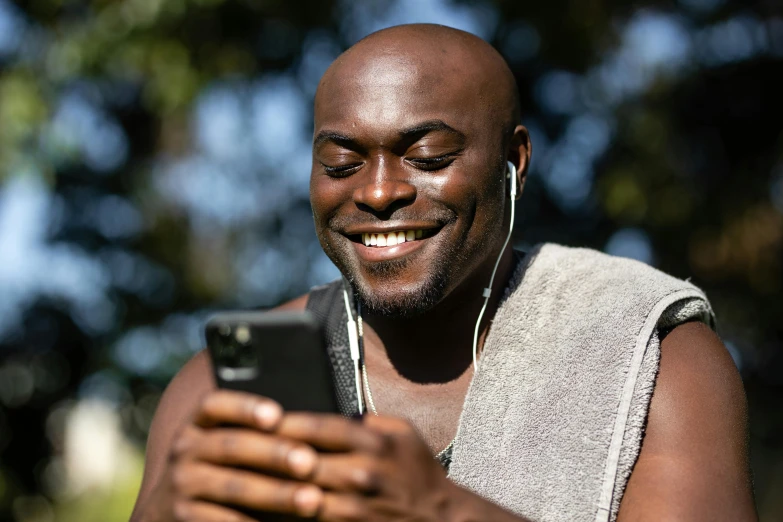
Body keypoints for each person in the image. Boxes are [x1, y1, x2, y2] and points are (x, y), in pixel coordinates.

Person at [130, 24, 756, 522]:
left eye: (428, 156)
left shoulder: (647, 353)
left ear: (514, 161)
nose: (377, 192)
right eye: (342, 164)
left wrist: (443, 512)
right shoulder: (223, 386)